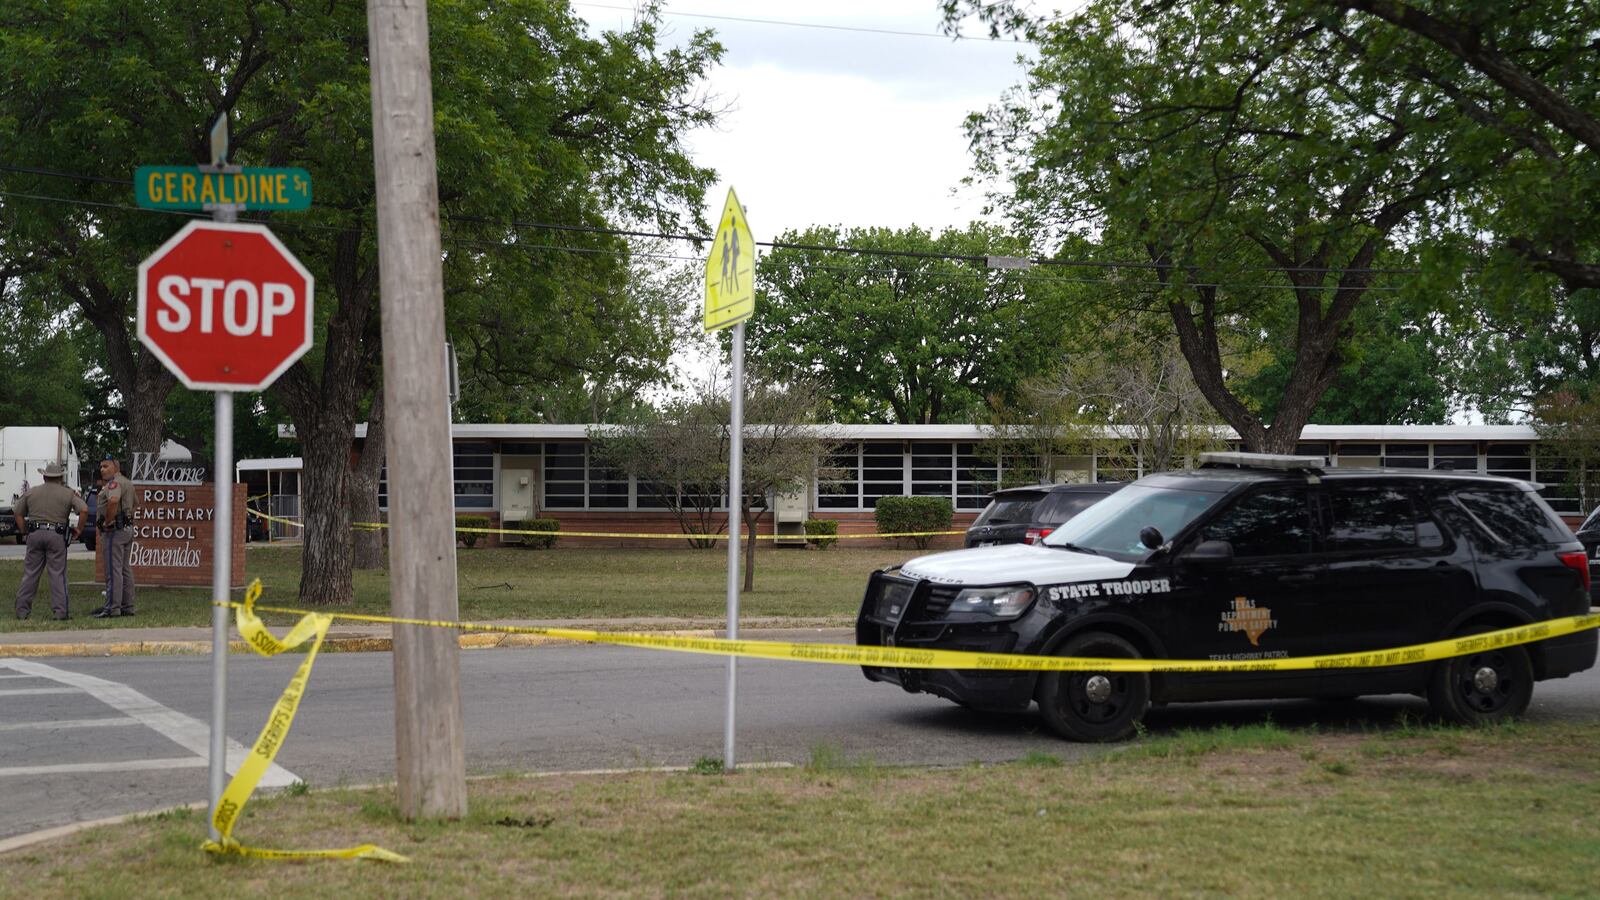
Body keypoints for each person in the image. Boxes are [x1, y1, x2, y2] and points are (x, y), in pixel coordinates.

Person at [14, 463, 86, 621]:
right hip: (56, 534)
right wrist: (79, 530)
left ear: (44, 476)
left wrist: (24, 531)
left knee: (30, 573)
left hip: (34, 533)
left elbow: (17, 512)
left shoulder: (31, 492)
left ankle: (22, 610)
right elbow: (84, 509)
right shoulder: (68, 493)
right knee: (57, 574)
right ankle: (60, 612)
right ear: (60, 477)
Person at [93, 456, 138, 618]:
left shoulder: (114, 483)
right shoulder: (128, 482)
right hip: (126, 528)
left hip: (114, 531)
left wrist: (108, 521)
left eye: (106, 466)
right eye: (101, 466)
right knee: (125, 569)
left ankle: (112, 608)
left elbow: (113, 500)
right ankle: (127, 605)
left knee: (113, 570)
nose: (102, 469)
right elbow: (135, 505)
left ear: (115, 468)